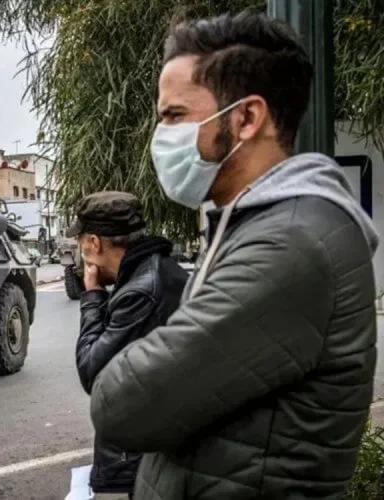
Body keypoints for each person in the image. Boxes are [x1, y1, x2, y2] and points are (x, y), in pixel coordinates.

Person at [89, 10, 379, 499]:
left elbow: (123, 405)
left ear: (246, 118)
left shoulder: (291, 243)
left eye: (175, 116)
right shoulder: (258, 224)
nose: (160, 137)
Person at [69, 191, 189, 498]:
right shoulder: (156, 270)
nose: (80, 253)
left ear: (94, 243)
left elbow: (92, 372)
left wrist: (93, 294)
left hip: (145, 455)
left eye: (80, 243)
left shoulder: (139, 292)